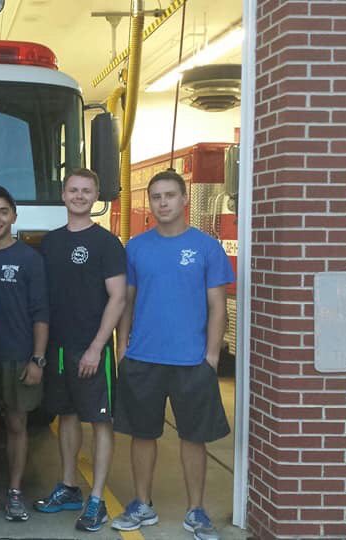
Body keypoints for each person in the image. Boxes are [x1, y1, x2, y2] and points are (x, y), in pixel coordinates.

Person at [111, 170, 233, 540]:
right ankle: (142, 505)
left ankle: (196, 511)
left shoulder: (206, 247)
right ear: (150, 203)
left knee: (193, 438)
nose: (162, 203)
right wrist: (122, 347)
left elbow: (218, 306)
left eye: (169, 195)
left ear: (184, 199)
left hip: (192, 362)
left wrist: (211, 356)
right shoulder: (136, 248)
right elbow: (127, 302)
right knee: (142, 435)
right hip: (143, 358)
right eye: (156, 197)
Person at [36, 168, 126, 533]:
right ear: (63, 194)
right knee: (67, 417)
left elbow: (117, 298)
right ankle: (69, 487)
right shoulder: (50, 243)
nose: (79, 196)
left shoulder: (107, 244)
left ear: (95, 196)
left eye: (86, 190)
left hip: (92, 350)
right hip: (58, 348)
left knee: (100, 421)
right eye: (73, 189)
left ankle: (97, 500)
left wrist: (97, 347)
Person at [0, 186, 49, 523]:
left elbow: (41, 313)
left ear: (14, 216)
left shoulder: (30, 259)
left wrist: (38, 359)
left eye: (4, 211)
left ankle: (15, 493)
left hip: (19, 356)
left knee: (17, 424)